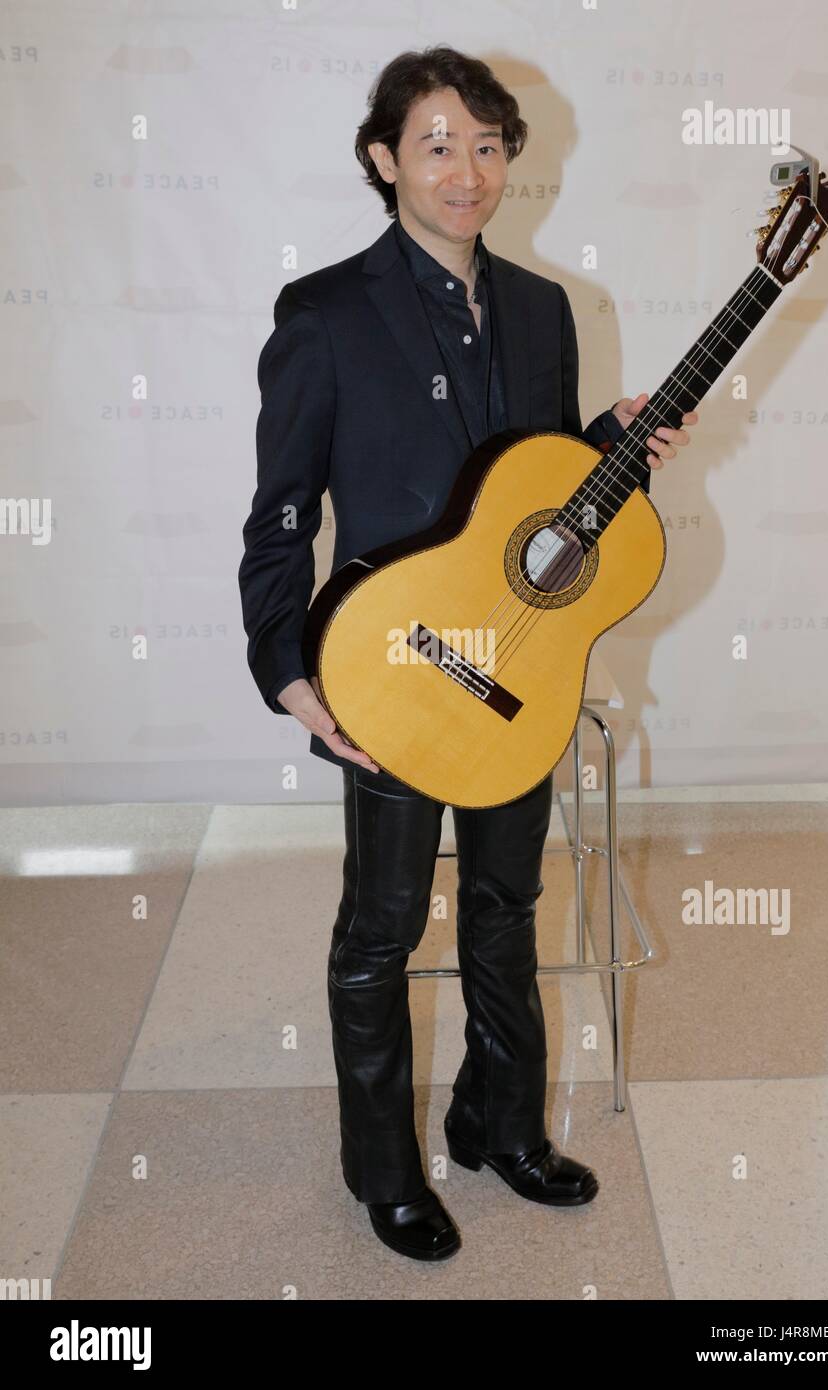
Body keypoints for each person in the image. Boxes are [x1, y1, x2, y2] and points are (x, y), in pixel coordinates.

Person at [238, 45, 697, 1262]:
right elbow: (282, 508)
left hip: (521, 670)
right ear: (385, 159)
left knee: (506, 904)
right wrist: (287, 667)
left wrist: (612, 442)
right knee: (381, 927)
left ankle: (500, 1125)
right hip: (389, 667)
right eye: (437, 143)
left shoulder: (544, 310)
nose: (467, 170)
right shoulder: (326, 315)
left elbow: (528, 488)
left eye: (487, 146)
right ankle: (383, 1171)